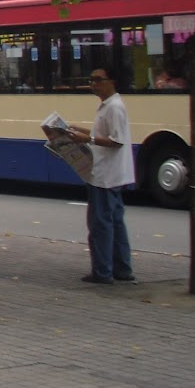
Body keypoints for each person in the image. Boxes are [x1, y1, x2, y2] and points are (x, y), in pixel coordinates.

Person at [65, 68, 136, 284]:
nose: (93, 84)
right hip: (111, 174)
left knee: (101, 224)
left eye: (98, 80)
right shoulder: (109, 106)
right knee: (115, 222)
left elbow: (115, 141)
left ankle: (103, 271)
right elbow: (104, 135)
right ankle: (122, 269)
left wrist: (87, 139)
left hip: (105, 175)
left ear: (112, 81)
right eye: (91, 79)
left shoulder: (114, 108)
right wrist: (83, 132)